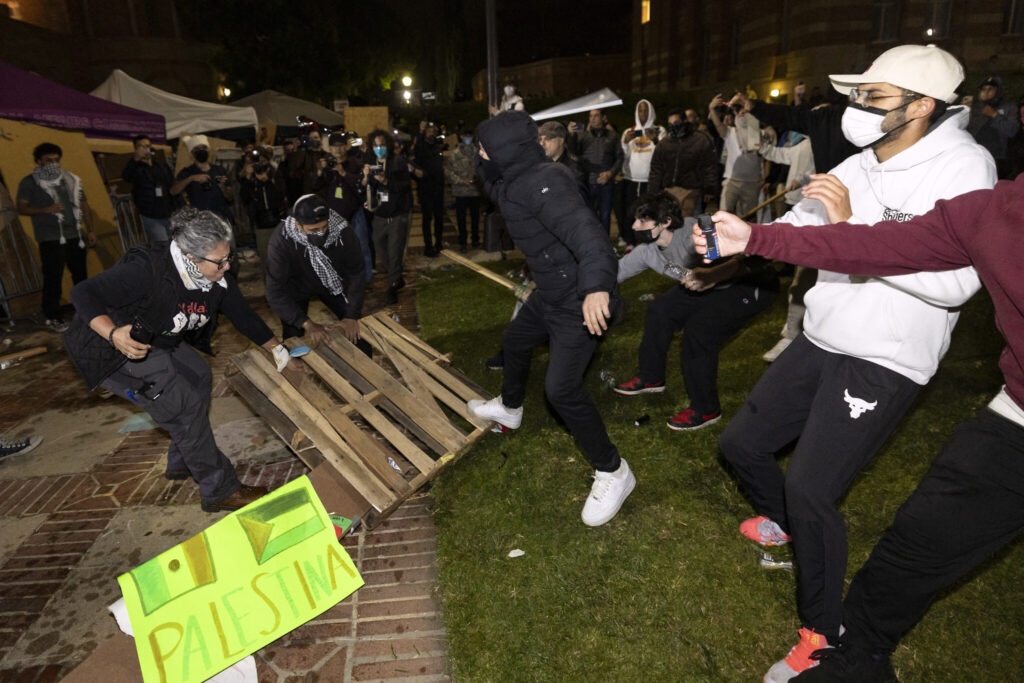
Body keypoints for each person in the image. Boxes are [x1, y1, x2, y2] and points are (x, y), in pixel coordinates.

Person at [711, 44, 996, 682]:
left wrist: (853, 223)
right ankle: (789, 528)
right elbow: (804, 220)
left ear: (921, 106)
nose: (858, 107)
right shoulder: (866, 157)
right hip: (823, 335)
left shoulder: (966, 168)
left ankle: (823, 633)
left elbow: (957, 285)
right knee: (742, 444)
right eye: (858, 94)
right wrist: (737, 250)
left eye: (874, 96)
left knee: (811, 488)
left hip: (885, 356)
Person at [62, 208, 300, 512]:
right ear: (190, 257)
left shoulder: (215, 278)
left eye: (229, 257)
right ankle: (220, 489)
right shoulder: (147, 268)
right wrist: (112, 334)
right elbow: (82, 293)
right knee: (184, 409)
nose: (227, 266)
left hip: (155, 337)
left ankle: (184, 458)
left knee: (199, 374)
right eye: (220, 261)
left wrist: (280, 352)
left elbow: (243, 315)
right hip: (115, 347)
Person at [468, 110, 635, 527]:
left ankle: (614, 471)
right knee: (514, 341)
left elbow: (588, 234)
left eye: (485, 147)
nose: (480, 153)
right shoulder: (512, 180)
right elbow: (490, 181)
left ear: (506, 150)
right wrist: (489, 149)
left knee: (561, 390)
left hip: (579, 299)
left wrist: (596, 287)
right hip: (552, 292)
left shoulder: (547, 182)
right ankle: (510, 408)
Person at [613, 191, 778, 430]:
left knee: (699, 332)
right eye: (635, 220)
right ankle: (651, 378)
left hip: (748, 286)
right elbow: (613, 273)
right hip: (706, 285)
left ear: (665, 221)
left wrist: (713, 272)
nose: (634, 226)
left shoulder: (697, 232)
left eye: (643, 221)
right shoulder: (648, 251)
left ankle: (706, 409)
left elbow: (757, 258)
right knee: (661, 309)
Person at [264, 195, 366, 349]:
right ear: (298, 225)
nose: (321, 233)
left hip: (331, 282)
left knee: (356, 331)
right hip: (295, 286)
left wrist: (352, 315)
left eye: (324, 227)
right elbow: (275, 291)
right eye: (314, 230)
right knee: (294, 341)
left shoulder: (342, 230)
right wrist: (306, 323)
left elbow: (356, 272)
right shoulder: (281, 242)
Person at [16, 142, 97, 332]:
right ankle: (53, 316)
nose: (53, 164)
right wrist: (45, 210)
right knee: (54, 277)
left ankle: (85, 313)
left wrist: (90, 230)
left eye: (56, 160)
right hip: (50, 237)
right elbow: (21, 207)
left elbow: (84, 205)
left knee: (81, 276)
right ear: (39, 161)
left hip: (75, 234)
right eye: (48, 160)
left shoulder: (70, 179)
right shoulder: (29, 182)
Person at [364, 129, 412, 305]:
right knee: (381, 250)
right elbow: (367, 188)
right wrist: (365, 177)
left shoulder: (397, 162)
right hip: (379, 215)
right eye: (376, 145)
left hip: (397, 215)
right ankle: (397, 277)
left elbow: (405, 185)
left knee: (394, 252)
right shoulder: (371, 163)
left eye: (382, 145)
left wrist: (386, 181)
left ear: (388, 145)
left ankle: (392, 287)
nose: (379, 148)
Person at [647, 109, 718, 217]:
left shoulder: (700, 140)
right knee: (670, 224)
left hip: (692, 191)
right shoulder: (664, 144)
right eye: (670, 124)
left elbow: (709, 166)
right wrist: (652, 193)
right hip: (669, 192)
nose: (673, 127)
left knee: (691, 224)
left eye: (676, 123)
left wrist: (710, 189)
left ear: (684, 121)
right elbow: (656, 169)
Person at [568, 109, 623, 236]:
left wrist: (610, 173)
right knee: (588, 216)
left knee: (605, 216)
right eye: (590, 116)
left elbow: (620, 158)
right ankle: (591, 242)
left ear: (603, 117)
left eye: (596, 116)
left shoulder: (612, 136)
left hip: (606, 182)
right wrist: (572, 136)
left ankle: (605, 244)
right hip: (587, 182)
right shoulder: (583, 136)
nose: (592, 119)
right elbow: (573, 154)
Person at [618, 99, 665, 245]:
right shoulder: (629, 132)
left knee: (650, 212)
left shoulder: (659, 130)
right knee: (630, 211)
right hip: (631, 179)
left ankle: (650, 239)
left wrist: (655, 140)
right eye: (640, 110)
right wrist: (625, 143)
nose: (643, 114)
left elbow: (664, 154)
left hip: (650, 180)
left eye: (646, 110)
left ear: (651, 112)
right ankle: (629, 240)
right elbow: (621, 156)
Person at [708, 94, 764, 217]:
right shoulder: (730, 132)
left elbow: (766, 156)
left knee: (746, 217)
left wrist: (765, 176)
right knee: (724, 213)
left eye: (745, 111)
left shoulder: (759, 133)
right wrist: (712, 109)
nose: (742, 114)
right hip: (732, 180)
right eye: (739, 111)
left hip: (751, 181)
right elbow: (718, 125)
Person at [122, 135, 176, 243]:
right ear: (136, 149)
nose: (146, 149)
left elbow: (171, 184)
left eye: (147, 146)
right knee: (163, 246)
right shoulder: (135, 167)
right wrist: (135, 159)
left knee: (176, 244)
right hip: (151, 215)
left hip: (168, 212)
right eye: (141, 147)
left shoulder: (159, 164)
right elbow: (126, 177)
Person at [238, 146, 286, 264]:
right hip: (260, 222)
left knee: (282, 255)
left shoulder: (274, 172)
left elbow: (281, 194)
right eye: (257, 162)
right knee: (266, 256)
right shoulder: (251, 177)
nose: (260, 165)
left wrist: (267, 181)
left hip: (278, 219)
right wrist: (248, 179)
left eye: (263, 161)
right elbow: (244, 198)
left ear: (268, 160)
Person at [171, 135, 233, 223]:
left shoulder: (220, 170)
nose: (201, 150)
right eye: (197, 148)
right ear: (192, 152)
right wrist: (191, 178)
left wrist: (223, 188)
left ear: (208, 150)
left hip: (222, 218)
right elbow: (173, 191)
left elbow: (230, 198)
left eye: (204, 147)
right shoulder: (187, 172)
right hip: (201, 221)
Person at [968, 75, 1020, 179]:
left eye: (990, 89)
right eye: (983, 89)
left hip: (1000, 159)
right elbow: (968, 132)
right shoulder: (975, 108)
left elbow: (1012, 131)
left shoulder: (1009, 107)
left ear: (998, 91)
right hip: (977, 156)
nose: (986, 92)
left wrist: (994, 115)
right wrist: (965, 113)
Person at [445, 127, 482, 251]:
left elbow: (482, 168)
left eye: (469, 135)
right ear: (461, 136)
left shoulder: (477, 152)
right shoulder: (455, 154)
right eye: (465, 135)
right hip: (460, 191)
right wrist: (461, 181)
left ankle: (475, 240)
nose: (467, 138)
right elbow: (449, 172)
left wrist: (477, 179)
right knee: (461, 219)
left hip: (474, 191)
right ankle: (463, 242)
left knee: (475, 218)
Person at [413, 122, 447, 256]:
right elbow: (417, 151)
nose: (431, 134)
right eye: (429, 132)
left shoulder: (437, 147)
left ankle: (438, 243)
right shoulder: (421, 147)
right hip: (425, 188)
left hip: (438, 188)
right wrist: (421, 132)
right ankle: (428, 247)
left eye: (433, 132)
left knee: (439, 217)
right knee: (427, 218)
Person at [537, 121, 588, 200]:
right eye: (540, 139)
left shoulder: (574, 168)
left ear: (561, 140)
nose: (542, 143)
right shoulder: (542, 166)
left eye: (548, 138)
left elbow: (579, 200)